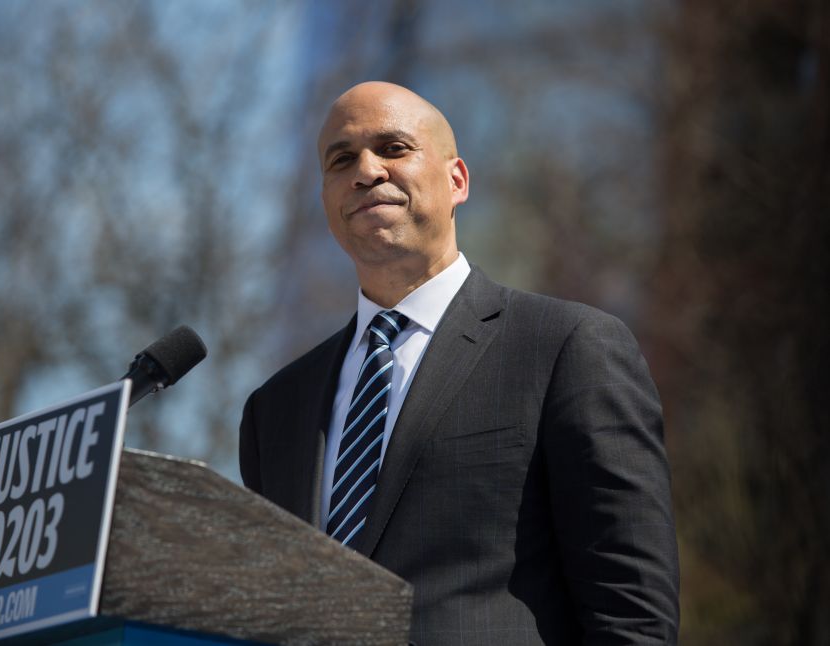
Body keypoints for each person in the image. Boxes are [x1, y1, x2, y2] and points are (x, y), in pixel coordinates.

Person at [239, 81, 679, 645]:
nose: (366, 171)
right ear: (326, 199)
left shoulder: (566, 347)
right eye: (341, 159)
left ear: (457, 180)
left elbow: (633, 615)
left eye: (394, 148)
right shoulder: (275, 410)